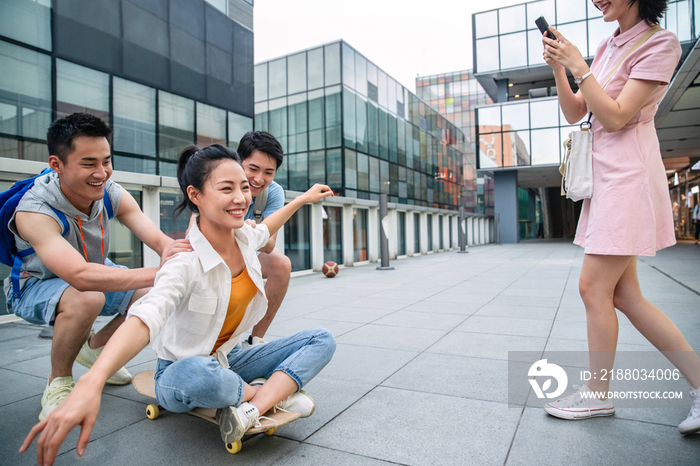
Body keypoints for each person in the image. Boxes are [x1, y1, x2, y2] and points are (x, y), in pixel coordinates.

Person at [21, 144, 336, 465]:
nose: (241, 197)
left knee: (321, 339)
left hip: (231, 357)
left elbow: (267, 227)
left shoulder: (244, 237)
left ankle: (253, 404)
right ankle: (267, 396)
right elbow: (145, 319)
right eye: (226, 188)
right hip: (181, 371)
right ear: (195, 195)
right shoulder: (184, 262)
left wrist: (301, 199)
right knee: (197, 373)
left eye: (244, 187)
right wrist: (92, 381)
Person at [541, 0, 700, 434]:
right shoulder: (608, 43)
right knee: (625, 296)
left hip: (627, 178)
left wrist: (580, 66)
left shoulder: (660, 44)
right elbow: (579, 112)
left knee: (593, 287)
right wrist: (561, 66)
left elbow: (615, 117)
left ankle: (597, 396)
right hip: (604, 178)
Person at [6, 113, 190, 422]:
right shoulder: (34, 210)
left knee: (153, 291)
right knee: (88, 295)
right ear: (56, 164)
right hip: (33, 285)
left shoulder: (110, 192)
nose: (101, 173)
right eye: (89, 163)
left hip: (89, 273)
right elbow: (79, 276)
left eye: (106, 161)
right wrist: (164, 272)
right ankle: (59, 382)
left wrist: (186, 254)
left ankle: (92, 347)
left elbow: (162, 244)